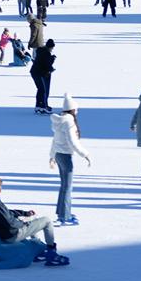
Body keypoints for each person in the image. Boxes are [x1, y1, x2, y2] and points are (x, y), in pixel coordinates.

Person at [0, 175, 69, 266]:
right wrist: (24, 222)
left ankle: (39, 250)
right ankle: (51, 254)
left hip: (8, 233)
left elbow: (8, 213)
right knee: (47, 221)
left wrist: (24, 213)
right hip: (13, 234)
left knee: (33, 221)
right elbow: (10, 223)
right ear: (0, 188)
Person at [49, 94, 91, 225]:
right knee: (67, 187)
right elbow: (73, 142)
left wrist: (52, 156)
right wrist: (85, 154)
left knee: (64, 186)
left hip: (59, 155)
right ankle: (65, 216)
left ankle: (62, 213)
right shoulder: (69, 122)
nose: (77, 112)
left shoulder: (60, 120)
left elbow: (55, 141)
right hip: (66, 156)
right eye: (76, 110)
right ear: (72, 110)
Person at [31, 39, 56, 114]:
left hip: (35, 72)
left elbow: (43, 62)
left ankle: (38, 106)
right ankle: (43, 107)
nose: (52, 49)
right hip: (38, 73)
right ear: (50, 47)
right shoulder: (46, 53)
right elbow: (47, 64)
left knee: (40, 89)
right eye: (52, 48)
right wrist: (52, 59)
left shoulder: (41, 51)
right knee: (43, 90)